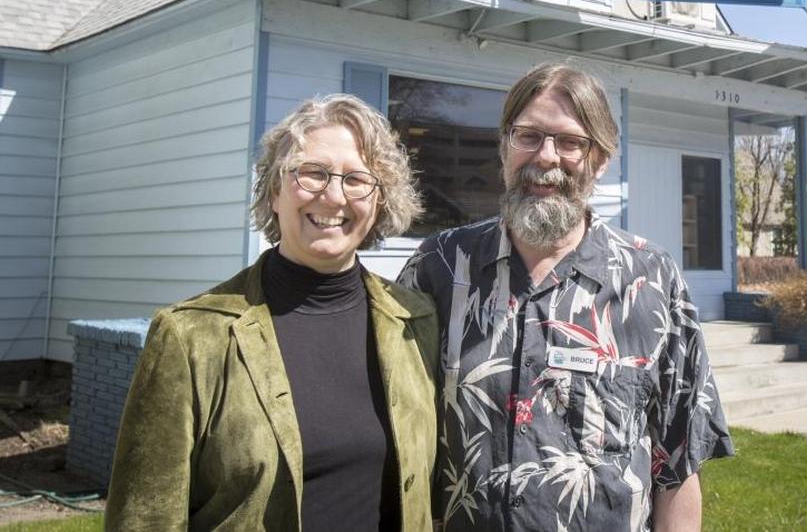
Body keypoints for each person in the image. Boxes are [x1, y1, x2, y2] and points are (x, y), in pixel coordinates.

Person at [399, 62, 733, 532]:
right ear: (504, 145)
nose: (547, 157)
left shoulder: (652, 281)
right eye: (528, 136)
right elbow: (396, 440)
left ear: (600, 158)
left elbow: (677, 466)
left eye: (571, 141)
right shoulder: (438, 267)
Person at [106, 94, 438, 531]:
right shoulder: (191, 336)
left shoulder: (413, 321)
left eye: (357, 180)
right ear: (276, 188)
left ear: (379, 201)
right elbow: (144, 518)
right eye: (313, 173)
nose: (333, 195)